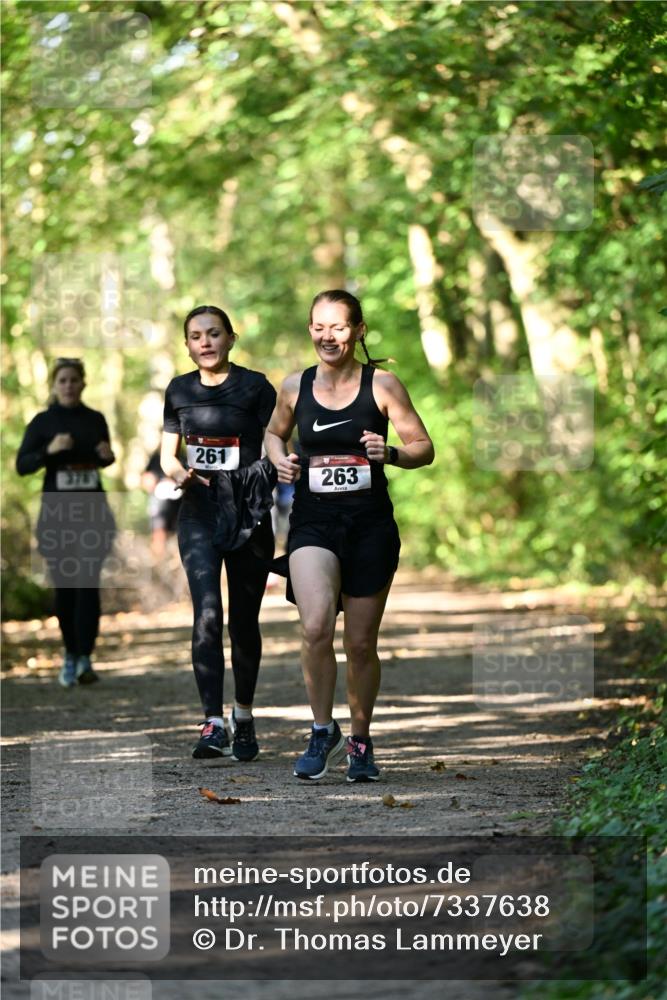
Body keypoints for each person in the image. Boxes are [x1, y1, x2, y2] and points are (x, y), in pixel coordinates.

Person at [265, 290, 434, 782]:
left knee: (360, 643)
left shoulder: (382, 384)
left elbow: (423, 447)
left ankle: (360, 739)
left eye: (338, 327)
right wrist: (278, 457)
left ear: (359, 331)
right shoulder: (295, 385)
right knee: (316, 626)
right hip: (314, 521)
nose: (327, 335)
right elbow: (274, 433)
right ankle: (323, 731)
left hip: (369, 524)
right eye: (319, 326)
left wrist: (392, 454)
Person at [160, 305, 277, 763]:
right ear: (187, 345)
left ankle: (243, 716)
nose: (205, 342)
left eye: (213, 334)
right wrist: (180, 474)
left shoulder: (255, 387)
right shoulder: (178, 390)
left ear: (231, 338)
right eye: (195, 336)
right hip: (198, 513)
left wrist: (273, 471)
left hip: (248, 512)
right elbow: (168, 454)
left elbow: (277, 440)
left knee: (243, 622)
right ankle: (212, 721)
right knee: (207, 613)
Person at [16, 357, 116, 687]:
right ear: (54, 385)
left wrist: (107, 456)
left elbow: (104, 458)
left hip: (93, 515)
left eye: (74, 379)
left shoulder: (95, 419)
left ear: (83, 383)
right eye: (63, 381)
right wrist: (50, 449)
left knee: (88, 585)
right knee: (66, 588)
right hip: (57, 517)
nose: (69, 385)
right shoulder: (43, 422)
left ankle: (86, 657)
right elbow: (22, 465)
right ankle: (70, 654)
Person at [141, 449, 181, 557]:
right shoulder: (155, 457)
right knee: (159, 531)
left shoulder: (182, 456)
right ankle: (157, 562)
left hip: (178, 500)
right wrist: (152, 482)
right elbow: (146, 478)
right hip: (158, 498)